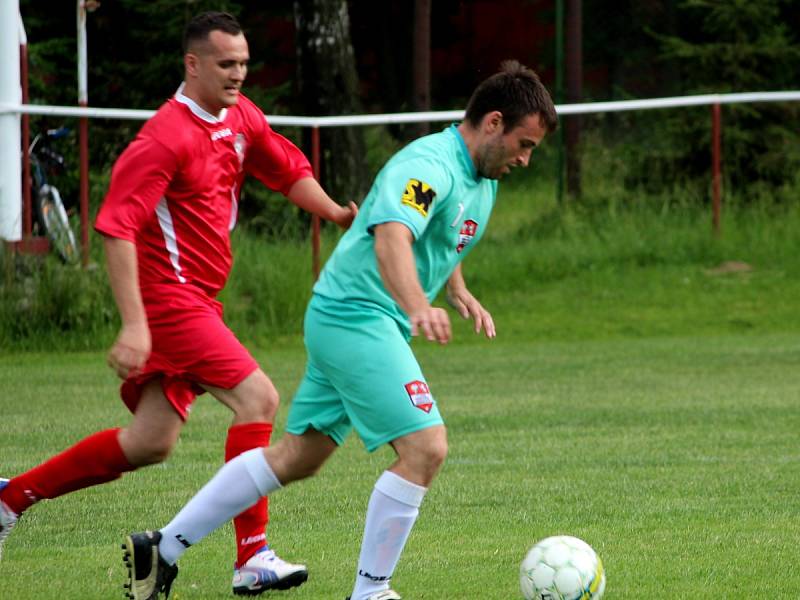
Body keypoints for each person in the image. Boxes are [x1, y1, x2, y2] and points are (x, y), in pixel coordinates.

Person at [120, 60, 558, 600]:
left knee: (297, 457)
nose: (525, 158)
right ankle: (371, 592)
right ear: (493, 122)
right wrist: (417, 303)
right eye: (524, 143)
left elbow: (444, 234)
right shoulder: (429, 165)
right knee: (425, 448)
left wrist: (456, 288)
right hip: (357, 314)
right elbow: (393, 236)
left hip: (351, 317)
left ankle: (161, 547)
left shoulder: (479, 177)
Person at [0, 10, 356, 597]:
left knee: (150, 442)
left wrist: (335, 213)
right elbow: (115, 229)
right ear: (192, 65)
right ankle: (253, 555)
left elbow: (284, 168)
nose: (238, 74)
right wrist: (135, 324)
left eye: (243, 62)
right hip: (169, 302)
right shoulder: (164, 136)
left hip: (199, 302)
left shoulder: (239, 116)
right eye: (225, 64)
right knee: (258, 397)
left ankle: (11, 498)